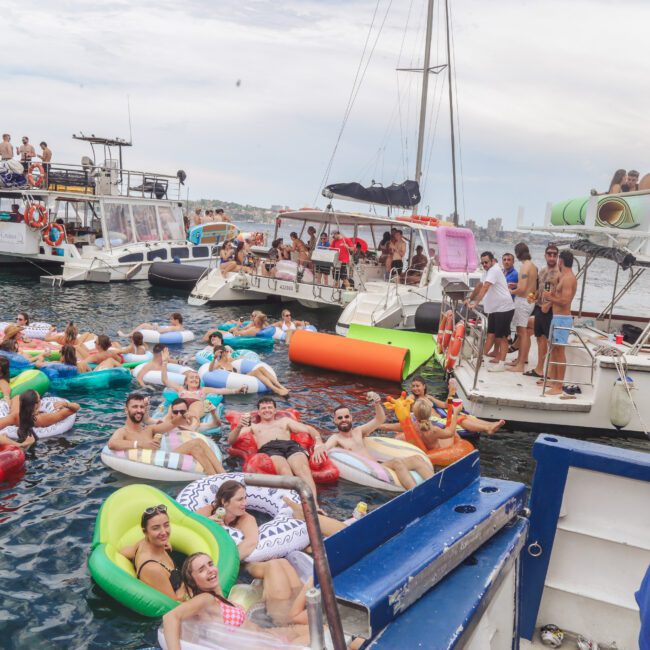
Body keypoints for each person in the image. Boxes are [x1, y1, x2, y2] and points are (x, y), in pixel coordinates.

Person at [161, 552, 311, 650]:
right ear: (193, 581)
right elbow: (170, 617)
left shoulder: (219, 599)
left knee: (319, 628)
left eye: (210, 564)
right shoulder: (205, 599)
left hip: (267, 637)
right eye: (201, 570)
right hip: (263, 646)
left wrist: (274, 636)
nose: (210, 570)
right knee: (317, 635)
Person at [323, 392, 434, 490]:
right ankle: (416, 493)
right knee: (397, 462)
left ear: (351, 418)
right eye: (340, 418)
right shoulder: (336, 438)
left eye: (346, 417)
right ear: (334, 421)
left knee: (417, 459)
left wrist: (377, 403)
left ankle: (438, 485)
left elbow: (380, 419)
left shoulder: (359, 431)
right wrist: (318, 444)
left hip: (378, 466)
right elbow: (325, 448)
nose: (344, 420)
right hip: (369, 470)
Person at [228, 397, 323, 505]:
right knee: (284, 470)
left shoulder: (284, 421)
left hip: (291, 446)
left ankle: (314, 505)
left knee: (303, 469)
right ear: (259, 412)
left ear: (275, 410)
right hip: (270, 449)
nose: (267, 410)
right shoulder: (254, 426)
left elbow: (310, 429)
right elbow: (231, 441)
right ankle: (297, 505)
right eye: (263, 408)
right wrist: (239, 426)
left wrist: (319, 444)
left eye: (269, 407)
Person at [108, 393, 224, 474]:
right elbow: (112, 444)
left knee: (198, 443)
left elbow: (172, 423)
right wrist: (140, 444)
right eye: (135, 407)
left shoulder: (149, 429)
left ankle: (222, 475)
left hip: (163, 460)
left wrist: (185, 415)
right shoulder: (123, 431)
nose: (139, 410)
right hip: (152, 466)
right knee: (195, 446)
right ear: (126, 410)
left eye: (142, 407)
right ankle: (215, 477)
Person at [161, 347, 244, 428]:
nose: (194, 379)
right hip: (181, 407)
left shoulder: (204, 390)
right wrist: (164, 363)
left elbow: (221, 390)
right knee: (174, 404)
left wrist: (236, 391)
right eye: (191, 378)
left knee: (195, 409)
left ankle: (191, 427)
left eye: (197, 378)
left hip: (196, 405)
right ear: (186, 381)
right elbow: (165, 380)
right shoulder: (180, 388)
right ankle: (164, 423)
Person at [120, 505, 185, 600]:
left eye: (166, 525)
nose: (163, 532)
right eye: (156, 528)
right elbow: (174, 604)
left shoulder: (142, 543)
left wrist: (163, 543)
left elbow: (123, 551)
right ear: (145, 532)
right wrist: (189, 582)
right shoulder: (153, 569)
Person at [467, 251, 515, 372]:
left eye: (486, 262)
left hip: (504, 308)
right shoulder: (487, 271)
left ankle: (501, 364)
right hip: (494, 309)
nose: (484, 264)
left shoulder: (494, 270)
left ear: (492, 260)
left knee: (502, 337)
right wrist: (470, 299)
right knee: (490, 335)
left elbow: (486, 287)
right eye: (482, 263)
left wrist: (476, 304)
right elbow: (479, 285)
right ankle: (480, 358)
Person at [407, 375, 506, 434]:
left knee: (464, 416)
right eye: (413, 386)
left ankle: (491, 424)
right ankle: (487, 428)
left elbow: (445, 405)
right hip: (433, 421)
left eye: (417, 386)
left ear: (424, 386)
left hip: (441, 417)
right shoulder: (412, 398)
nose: (415, 388)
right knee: (458, 419)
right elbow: (407, 403)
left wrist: (450, 394)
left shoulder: (429, 397)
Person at [541, 250, 578, 395]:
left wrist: (550, 298)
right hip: (556, 317)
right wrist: (549, 301)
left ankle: (558, 385)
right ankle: (553, 380)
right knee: (554, 349)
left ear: (561, 261)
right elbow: (557, 296)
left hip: (563, 319)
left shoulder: (569, 278)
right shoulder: (562, 277)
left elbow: (565, 301)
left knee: (559, 351)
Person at [524, 244, 560, 379]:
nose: (552, 257)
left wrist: (549, 304)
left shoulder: (558, 273)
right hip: (539, 308)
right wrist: (532, 296)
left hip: (550, 311)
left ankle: (551, 374)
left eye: (554, 255)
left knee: (551, 342)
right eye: (549, 254)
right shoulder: (543, 271)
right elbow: (539, 289)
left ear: (557, 256)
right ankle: (539, 369)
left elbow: (560, 293)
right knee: (540, 339)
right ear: (545, 255)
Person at [0, 390, 80, 446]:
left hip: (18, 437)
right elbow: (75, 408)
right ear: (36, 405)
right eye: (40, 399)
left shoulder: (14, 416)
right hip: (42, 443)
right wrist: (66, 404)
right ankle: (20, 445)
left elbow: (17, 397)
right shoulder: (42, 419)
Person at [507, 243, 538, 373]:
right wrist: (517, 284)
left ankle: (521, 364)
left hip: (523, 302)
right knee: (522, 333)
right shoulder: (533, 266)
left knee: (522, 333)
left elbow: (523, 289)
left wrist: (509, 291)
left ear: (518, 254)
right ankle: (520, 360)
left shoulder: (525, 267)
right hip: (529, 300)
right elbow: (532, 286)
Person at [209, 346, 289, 396]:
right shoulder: (219, 364)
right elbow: (210, 370)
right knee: (256, 372)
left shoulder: (230, 360)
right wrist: (214, 358)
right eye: (225, 352)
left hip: (240, 377)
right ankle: (276, 390)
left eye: (227, 351)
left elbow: (240, 359)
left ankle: (281, 386)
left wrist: (240, 357)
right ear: (221, 354)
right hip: (236, 381)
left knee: (261, 368)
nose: (227, 353)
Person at [120, 312, 185, 338]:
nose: (170, 320)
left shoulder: (174, 328)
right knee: (147, 325)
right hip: (167, 333)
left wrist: (156, 327)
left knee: (144, 325)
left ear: (176, 320)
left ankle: (128, 335)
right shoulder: (181, 327)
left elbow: (161, 331)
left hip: (157, 332)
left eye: (171, 319)